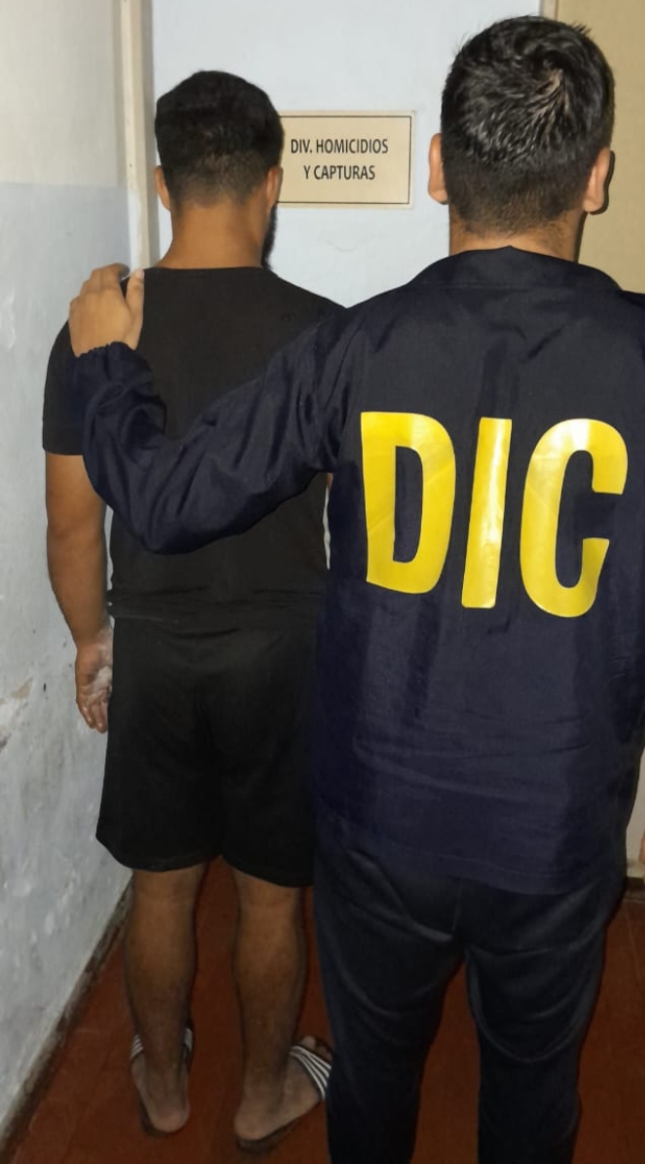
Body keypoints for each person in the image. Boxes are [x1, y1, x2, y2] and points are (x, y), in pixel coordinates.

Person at [67, 18, 645, 1164]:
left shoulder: (354, 348)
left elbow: (165, 503)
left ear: (434, 167)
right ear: (595, 177)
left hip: (377, 816)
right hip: (554, 822)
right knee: (531, 1093)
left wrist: (110, 365)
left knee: (371, 1080)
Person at [43, 70, 335, 1148]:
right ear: (271, 184)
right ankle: (263, 1094)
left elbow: (73, 528)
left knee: (159, 890)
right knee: (271, 895)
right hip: (284, 651)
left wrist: (91, 640)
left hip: (158, 650)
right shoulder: (326, 333)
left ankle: (162, 1086)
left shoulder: (97, 328)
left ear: (164, 184)